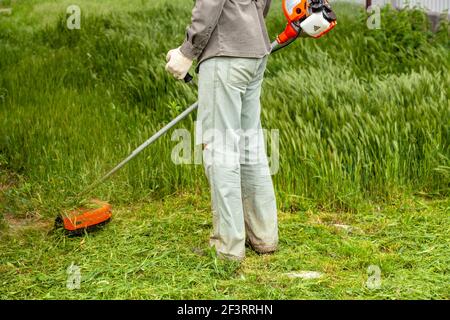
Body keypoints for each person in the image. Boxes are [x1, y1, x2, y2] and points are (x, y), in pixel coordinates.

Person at [165, 0, 278, 261]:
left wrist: (187, 51)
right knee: (250, 144)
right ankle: (264, 236)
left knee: (220, 149)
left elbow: (210, 2)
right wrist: (248, 20)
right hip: (255, 48)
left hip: (226, 53)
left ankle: (227, 248)